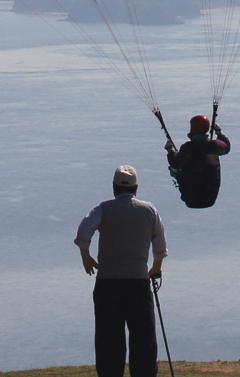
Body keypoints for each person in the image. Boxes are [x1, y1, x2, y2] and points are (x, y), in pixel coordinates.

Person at [75, 165, 168, 377]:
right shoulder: (149, 210)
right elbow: (160, 244)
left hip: (108, 283)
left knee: (109, 341)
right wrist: (156, 268)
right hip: (138, 283)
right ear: (136, 188)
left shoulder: (103, 209)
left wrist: (86, 256)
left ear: (113, 187)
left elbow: (84, 231)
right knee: (143, 340)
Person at [166, 114, 231, 209]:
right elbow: (226, 147)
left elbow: (175, 163)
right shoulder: (214, 145)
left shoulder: (188, 148)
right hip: (210, 199)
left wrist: (169, 150)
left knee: (175, 169)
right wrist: (219, 133)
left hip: (191, 199)